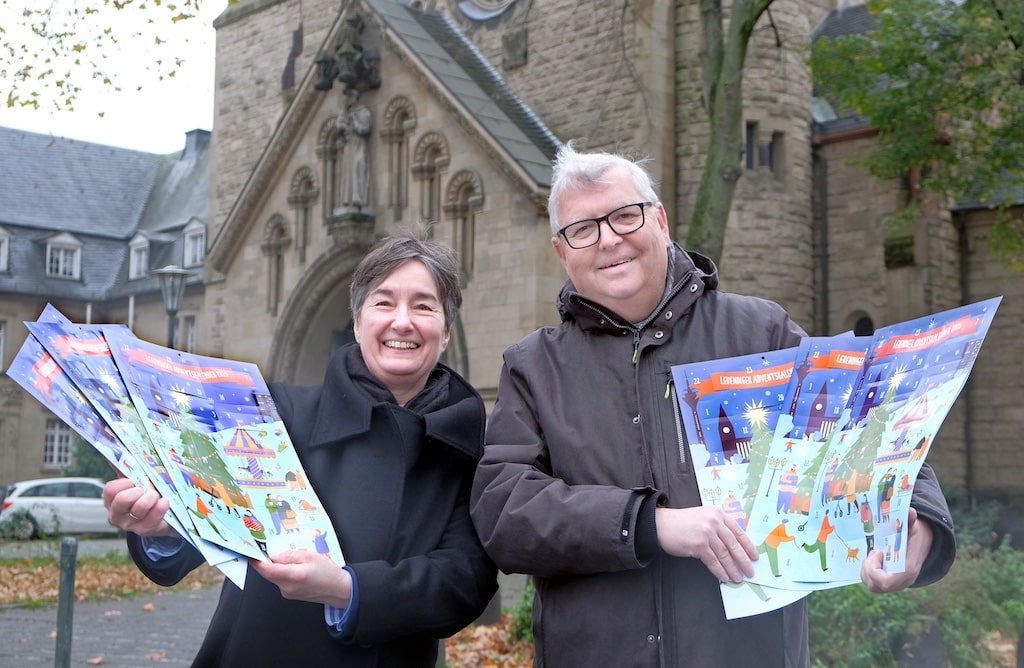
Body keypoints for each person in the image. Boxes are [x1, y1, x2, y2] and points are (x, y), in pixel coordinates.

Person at [469, 143, 956, 667]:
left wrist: (919, 520)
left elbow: (869, 430)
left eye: (624, 217)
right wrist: (650, 524)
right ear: (562, 252)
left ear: (659, 219)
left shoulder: (759, 331)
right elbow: (504, 512)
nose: (608, 239)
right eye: (583, 229)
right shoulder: (534, 367)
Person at [103, 232, 498, 667]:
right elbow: (213, 517)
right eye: (384, 303)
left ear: (444, 332)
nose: (402, 322)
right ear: (358, 321)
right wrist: (161, 525)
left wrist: (348, 590)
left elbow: (465, 580)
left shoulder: (463, 447)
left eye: (423, 306)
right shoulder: (277, 413)